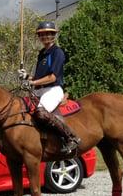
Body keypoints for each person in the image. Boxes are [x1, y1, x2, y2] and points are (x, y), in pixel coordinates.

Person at [19, 21, 81, 156]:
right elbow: (37, 77)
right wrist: (27, 77)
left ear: (53, 35)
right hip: (39, 90)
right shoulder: (42, 53)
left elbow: (52, 77)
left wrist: (33, 83)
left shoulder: (58, 52)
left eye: (48, 34)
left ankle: (71, 137)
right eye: (42, 34)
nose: (45, 36)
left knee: (41, 112)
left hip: (53, 89)